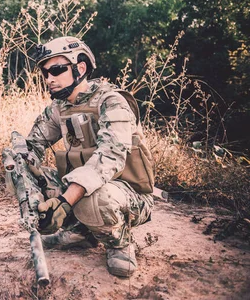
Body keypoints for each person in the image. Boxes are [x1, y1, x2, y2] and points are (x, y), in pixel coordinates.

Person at [15, 36, 154, 278]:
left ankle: (119, 243)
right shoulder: (59, 108)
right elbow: (33, 145)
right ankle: (81, 233)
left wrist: (64, 202)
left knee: (94, 197)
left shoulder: (112, 102)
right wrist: (22, 165)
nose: (49, 78)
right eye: (45, 72)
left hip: (127, 194)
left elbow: (109, 157)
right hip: (90, 189)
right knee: (36, 174)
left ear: (80, 69)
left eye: (57, 70)